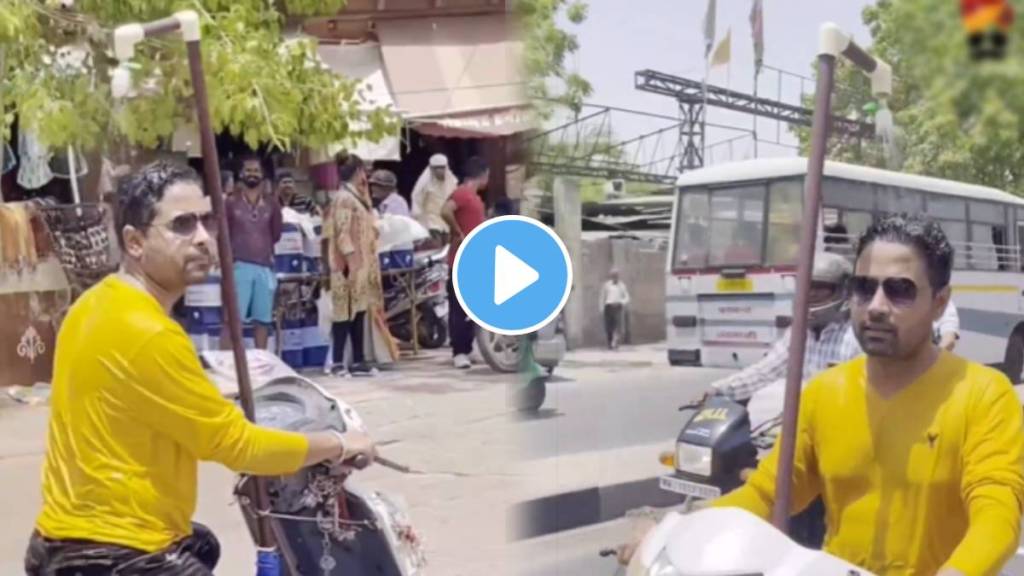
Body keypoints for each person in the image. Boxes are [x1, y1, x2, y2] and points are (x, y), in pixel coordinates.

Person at [24, 161, 376, 576]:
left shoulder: (94, 304)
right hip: (119, 553)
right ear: (135, 242)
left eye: (206, 221)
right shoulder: (151, 332)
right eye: (182, 225)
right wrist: (339, 443)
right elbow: (238, 447)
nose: (204, 238)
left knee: (202, 542)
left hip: (61, 538)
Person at [713, 213, 1024, 576]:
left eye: (900, 290)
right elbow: (767, 494)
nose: (876, 306)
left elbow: (998, 513)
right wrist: (680, 528)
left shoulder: (983, 395)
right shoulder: (824, 393)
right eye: (864, 288)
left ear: (940, 303)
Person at [323, 154, 382, 377]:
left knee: (358, 312)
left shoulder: (356, 197)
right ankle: (338, 362)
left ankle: (358, 360)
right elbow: (341, 233)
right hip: (348, 265)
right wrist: (350, 261)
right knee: (343, 314)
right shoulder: (344, 198)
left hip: (360, 264)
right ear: (358, 171)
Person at [222, 153, 281, 351]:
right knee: (232, 320)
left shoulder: (272, 203)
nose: (252, 174)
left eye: (256, 171)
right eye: (248, 170)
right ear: (241, 174)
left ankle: (260, 362)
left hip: (264, 267)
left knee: (262, 320)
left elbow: (276, 234)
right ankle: (226, 363)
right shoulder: (230, 203)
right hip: (239, 266)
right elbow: (223, 234)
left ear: (263, 175)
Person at [441, 156, 489, 369]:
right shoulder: (462, 193)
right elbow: (445, 210)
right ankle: (459, 351)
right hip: (460, 258)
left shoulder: (476, 198)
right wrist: (457, 231)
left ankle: (469, 348)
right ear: (482, 174)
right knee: (459, 308)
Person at [411, 153, 457, 243]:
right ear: (432, 168)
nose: (440, 171)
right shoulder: (425, 184)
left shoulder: (452, 182)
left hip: (447, 222)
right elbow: (417, 201)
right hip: (431, 223)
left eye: (442, 167)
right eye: (437, 168)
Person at [599, 269, 630, 349]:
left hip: (617, 307)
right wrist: (602, 308)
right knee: (609, 326)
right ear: (611, 276)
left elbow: (627, 297)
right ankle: (609, 343)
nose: (615, 277)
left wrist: (621, 302)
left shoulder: (622, 285)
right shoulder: (607, 285)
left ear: (618, 276)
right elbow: (602, 297)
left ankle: (616, 342)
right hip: (608, 307)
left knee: (617, 326)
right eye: (613, 275)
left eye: (616, 275)